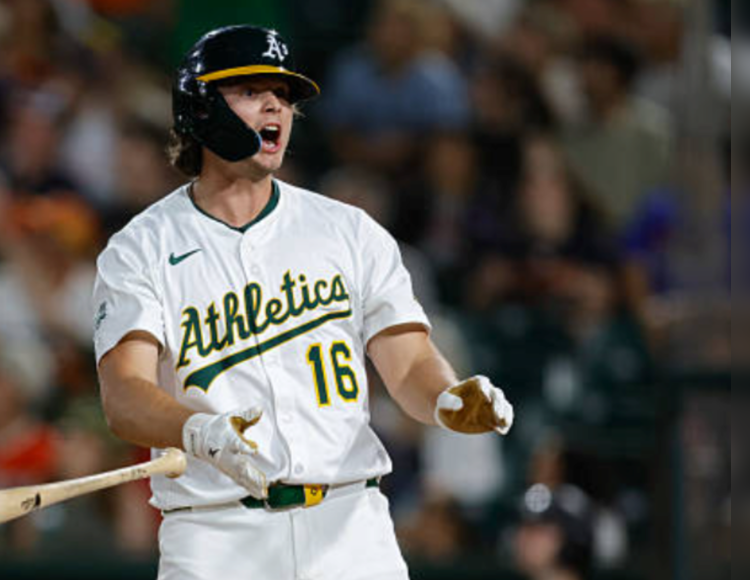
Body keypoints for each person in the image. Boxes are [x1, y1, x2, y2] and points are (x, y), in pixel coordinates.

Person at [93, 25, 515, 579]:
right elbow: (124, 396)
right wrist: (195, 428)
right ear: (199, 108)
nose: (276, 104)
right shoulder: (141, 249)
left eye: (284, 95)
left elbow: (409, 363)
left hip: (350, 525)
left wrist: (447, 398)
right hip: (218, 534)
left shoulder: (348, 231)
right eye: (251, 91)